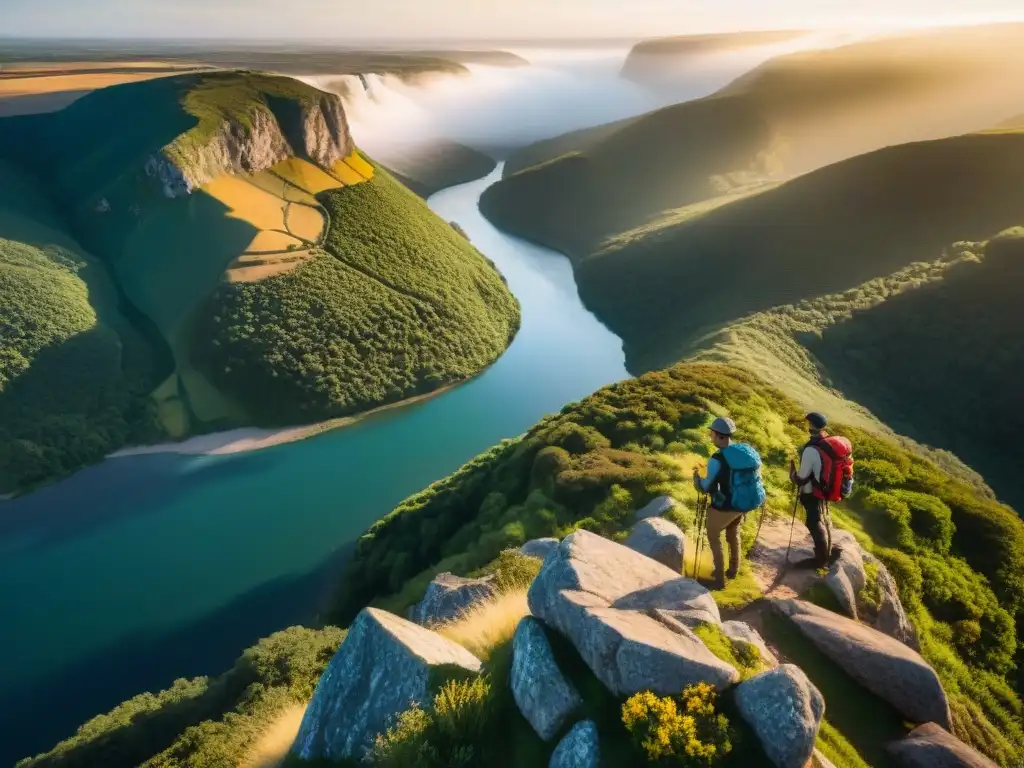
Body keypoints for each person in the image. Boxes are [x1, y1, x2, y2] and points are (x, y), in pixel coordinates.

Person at [692, 416, 765, 589]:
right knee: (733, 534)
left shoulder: (717, 459)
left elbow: (705, 486)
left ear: (718, 435)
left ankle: (718, 580)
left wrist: (696, 477)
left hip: (727, 504)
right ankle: (733, 570)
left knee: (713, 535)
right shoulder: (743, 452)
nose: (710, 436)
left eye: (712, 433)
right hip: (743, 503)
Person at [789, 411, 841, 568]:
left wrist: (792, 472)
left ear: (811, 426)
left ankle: (820, 559)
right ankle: (827, 552)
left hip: (813, 492)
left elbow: (801, 478)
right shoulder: (827, 442)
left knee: (814, 522)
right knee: (822, 518)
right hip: (825, 489)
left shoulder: (811, 450)